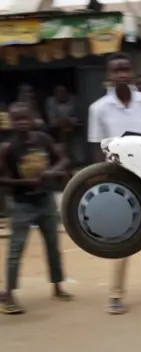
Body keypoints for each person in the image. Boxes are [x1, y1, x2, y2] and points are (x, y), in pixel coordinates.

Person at [88, 52, 141, 314]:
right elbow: (95, 146)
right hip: (118, 176)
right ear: (109, 76)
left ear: (132, 72)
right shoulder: (98, 108)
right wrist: (99, 177)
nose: (122, 74)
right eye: (116, 70)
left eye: (126, 69)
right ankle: (116, 294)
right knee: (122, 233)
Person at [0, 102, 72, 315]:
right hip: (22, 204)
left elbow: (64, 159)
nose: (22, 123)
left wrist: (51, 171)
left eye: (25, 118)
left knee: (53, 245)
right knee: (16, 249)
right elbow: (2, 178)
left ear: (33, 119)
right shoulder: (8, 148)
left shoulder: (44, 139)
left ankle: (58, 286)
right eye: (17, 119)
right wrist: (24, 183)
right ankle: (9, 294)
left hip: (45, 200)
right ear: (11, 122)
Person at [46, 86, 83, 168]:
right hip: (56, 130)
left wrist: (70, 121)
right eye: (58, 93)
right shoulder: (50, 102)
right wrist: (60, 122)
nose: (61, 95)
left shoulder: (74, 100)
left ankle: (77, 162)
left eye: (63, 92)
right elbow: (51, 118)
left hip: (75, 128)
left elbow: (81, 115)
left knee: (75, 146)